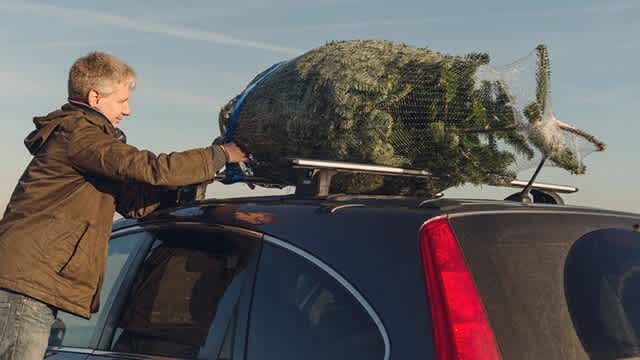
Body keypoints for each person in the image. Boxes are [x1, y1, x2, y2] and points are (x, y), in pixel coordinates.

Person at [0, 51, 247, 359]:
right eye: (121, 101)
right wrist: (220, 155)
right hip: (24, 288)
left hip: (30, 285)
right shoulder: (80, 135)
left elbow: (135, 204)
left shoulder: (86, 144)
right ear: (94, 98)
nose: (128, 110)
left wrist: (192, 199)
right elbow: (151, 168)